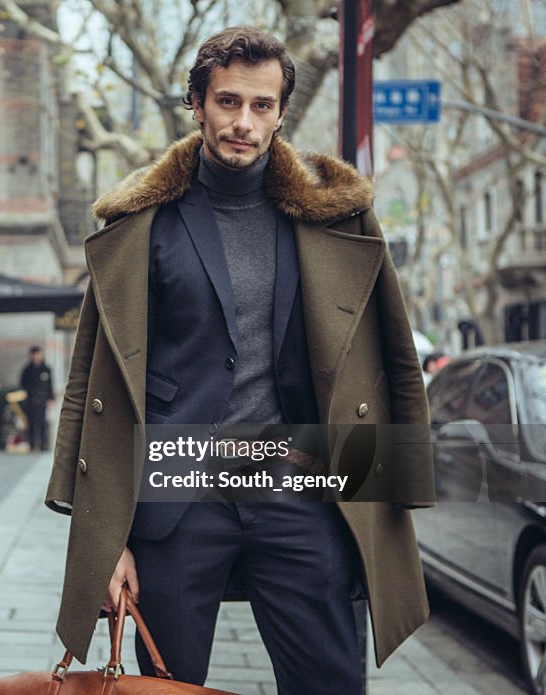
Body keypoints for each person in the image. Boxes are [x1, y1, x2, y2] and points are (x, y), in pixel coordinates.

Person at [44, 27, 435, 694]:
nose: (243, 123)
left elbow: (393, 358)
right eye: (227, 102)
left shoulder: (338, 216)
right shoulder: (143, 222)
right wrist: (102, 539)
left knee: (331, 681)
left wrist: (395, 490)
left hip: (307, 480)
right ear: (196, 103)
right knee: (167, 686)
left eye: (261, 106)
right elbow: (92, 383)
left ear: (282, 111)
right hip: (175, 488)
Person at [19, 346, 54, 451]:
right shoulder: (27, 370)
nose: (36, 356)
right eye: (34, 354)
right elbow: (23, 383)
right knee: (32, 422)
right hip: (31, 400)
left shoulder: (46, 369)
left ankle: (44, 444)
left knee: (43, 423)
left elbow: (50, 385)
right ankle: (32, 443)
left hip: (42, 400)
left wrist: (50, 398)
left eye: (38, 354)